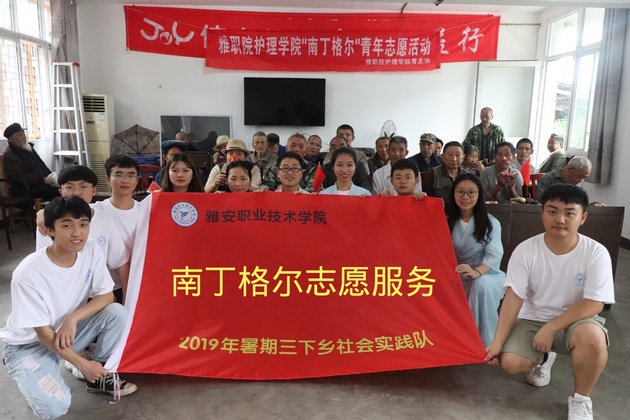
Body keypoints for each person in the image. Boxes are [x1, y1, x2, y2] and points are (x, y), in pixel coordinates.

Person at [0, 196, 137, 419]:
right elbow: (43, 334)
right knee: (55, 406)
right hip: (29, 346)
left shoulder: (91, 250)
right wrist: (81, 364)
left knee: (117, 313)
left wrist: (73, 318)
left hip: (66, 335)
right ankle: (27, 369)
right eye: (67, 225)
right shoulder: (28, 274)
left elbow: (106, 296)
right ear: (50, 230)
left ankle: (98, 374)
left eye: (83, 224)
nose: (77, 232)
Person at [485, 184, 614, 420]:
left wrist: (552, 327)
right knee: (510, 363)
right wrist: (497, 342)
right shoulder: (526, 250)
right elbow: (514, 297)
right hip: (532, 319)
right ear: (542, 213)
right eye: (552, 211)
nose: (560, 219)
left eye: (569, 213)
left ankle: (581, 399)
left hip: (577, 321)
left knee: (594, 340)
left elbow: (595, 303)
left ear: (583, 217)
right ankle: (544, 357)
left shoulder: (596, 252)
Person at [35, 166, 129, 305]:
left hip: (97, 293)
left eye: (83, 186)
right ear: (61, 191)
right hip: (63, 294)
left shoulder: (104, 220)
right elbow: (43, 266)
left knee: (116, 312)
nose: (76, 193)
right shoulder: (47, 222)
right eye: (69, 187)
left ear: (94, 190)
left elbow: (121, 261)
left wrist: (127, 300)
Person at [448, 173, 505, 347]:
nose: (465, 197)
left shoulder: (491, 223)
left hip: (486, 273)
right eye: (460, 192)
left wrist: (476, 272)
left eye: (471, 192)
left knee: (481, 285)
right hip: (455, 274)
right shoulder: (445, 221)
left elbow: (494, 255)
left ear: (479, 194)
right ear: (454, 194)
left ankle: (486, 343)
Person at [92, 156, 141, 272]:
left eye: (131, 175)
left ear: (137, 180)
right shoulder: (95, 210)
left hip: (137, 275)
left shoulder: (146, 210)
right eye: (118, 175)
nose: (125, 180)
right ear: (108, 179)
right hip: (103, 278)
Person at [2, 122, 60, 201]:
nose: (24, 137)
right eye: (20, 135)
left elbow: (41, 164)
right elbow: (19, 177)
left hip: (42, 185)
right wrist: (42, 179)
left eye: (23, 134)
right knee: (62, 192)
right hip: (27, 190)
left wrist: (51, 177)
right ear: (10, 139)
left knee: (67, 186)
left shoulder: (27, 148)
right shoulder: (10, 155)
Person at [424, 141, 468, 211]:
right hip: (439, 213)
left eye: (457, 155)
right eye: (450, 155)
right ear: (443, 157)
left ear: (463, 157)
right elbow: (427, 201)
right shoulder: (432, 174)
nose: (454, 159)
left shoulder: (467, 176)